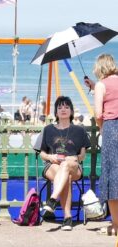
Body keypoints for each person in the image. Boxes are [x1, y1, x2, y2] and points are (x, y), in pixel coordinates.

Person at [39, 96, 91, 231]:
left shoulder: (79, 130)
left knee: (66, 166)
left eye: (67, 107)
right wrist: (51, 157)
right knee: (64, 173)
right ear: (56, 112)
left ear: (71, 111)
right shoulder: (48, 129)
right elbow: (42, 154)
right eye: (60, 107)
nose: (63, 109)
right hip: (52, 166)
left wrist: (74, 158)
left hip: (73, 166)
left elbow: (82, 155)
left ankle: (53, 199)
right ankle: (67, 217)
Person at [85, 54, 118, 236]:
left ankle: (115, 225)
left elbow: (99, 113)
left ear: (99, 68)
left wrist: (102, 128)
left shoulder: (101, 85)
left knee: (112, 175)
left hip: (112, 128)